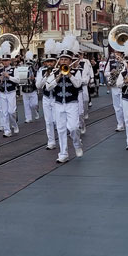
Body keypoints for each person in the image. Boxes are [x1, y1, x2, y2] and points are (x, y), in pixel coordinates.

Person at [45, 35, 83, 163]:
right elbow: (48, 87)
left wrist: (70, 74)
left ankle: (77, 144)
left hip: (72, 103)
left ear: (70, 60)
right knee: (60, 129)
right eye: (62, 59)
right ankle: (63, 153)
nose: (64, 61)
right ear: (59, 60)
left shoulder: (76, 71)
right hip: (58, 103)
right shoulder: (55, 72)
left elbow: (78, 84)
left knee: (73, 128)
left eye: (66, 59)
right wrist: (58, 77)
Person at [36, 39, 59, 149]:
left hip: (56, 98)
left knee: (56, 121)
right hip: (46, 98)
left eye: (51, 61)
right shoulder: (41, 71)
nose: (49, 63)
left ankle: (61, 137)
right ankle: (51, 141)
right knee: (48, 121)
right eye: (48, 61)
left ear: (55, 62)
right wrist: (46, 75)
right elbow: (38, 86)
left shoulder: (59, 70)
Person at [0, 40, 20, 137]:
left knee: (11, 112)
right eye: (3, 61)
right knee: (4, 112)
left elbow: (18, 80)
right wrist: (0, 79)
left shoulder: (14, 69)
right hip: (2, 93)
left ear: (10, 61)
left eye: (7, 61)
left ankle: (14, 125)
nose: (5, 62)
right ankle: (7, 130)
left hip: (11, 92)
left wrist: (9, 77)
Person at [103, 51, 125, 131]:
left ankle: (127, 121)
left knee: (123, 106)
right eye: (116, 52)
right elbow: (105, 73)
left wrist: (122, 61)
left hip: (123, 85)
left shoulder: (126, 60)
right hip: (114, 85)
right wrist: (111, 73)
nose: (117, 53)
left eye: (118, 52)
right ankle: (120, 124)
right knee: (117, 107)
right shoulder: (111, 60)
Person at [21, 50, 40, 123]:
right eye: (27, 62)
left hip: (33, 89)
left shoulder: (35, 69)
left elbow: (38, 78)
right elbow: (21, 79)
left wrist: (34, 78)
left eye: (30, 62)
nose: (28, 64)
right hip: (25, 89)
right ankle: (28, 118)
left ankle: (36, 111)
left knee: (33, 104)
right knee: (26, 105)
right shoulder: (22, 68)